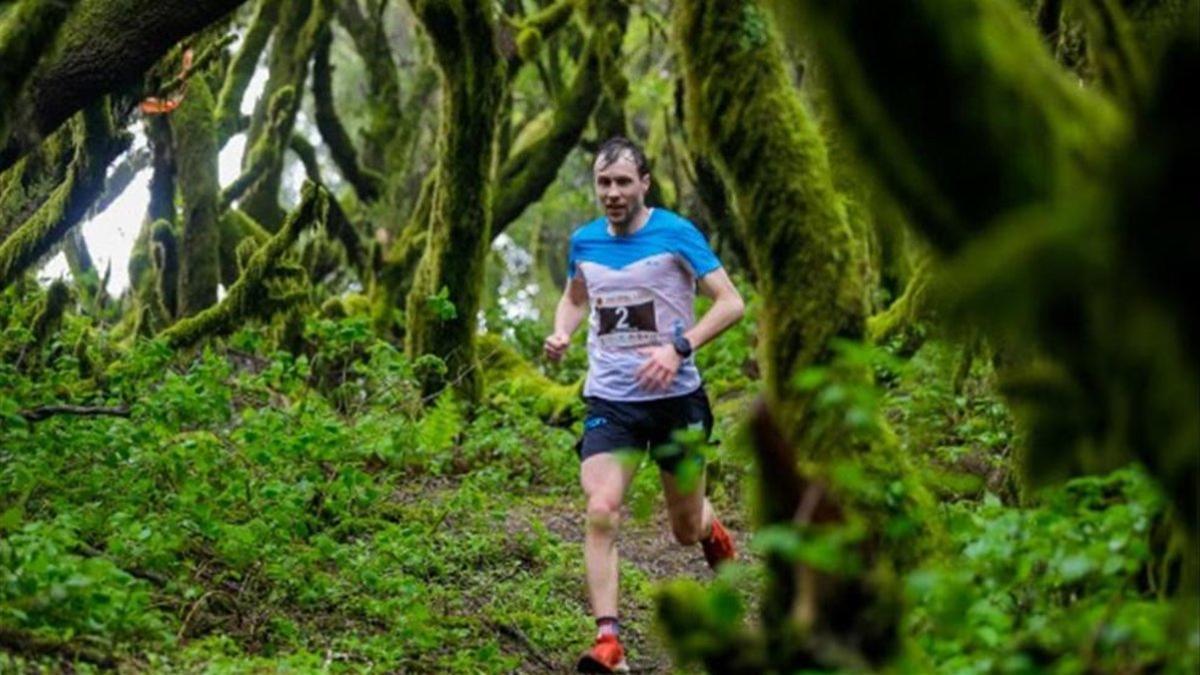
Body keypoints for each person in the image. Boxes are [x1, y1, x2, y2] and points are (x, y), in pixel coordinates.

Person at [544, 137, 746, 673]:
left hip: (677, 400)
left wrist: (679, 346)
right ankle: (609, 645)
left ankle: (711, 528)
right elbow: (574, 296)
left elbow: (732, 303)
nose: (612, 193)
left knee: (684, 531)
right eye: (603, 183)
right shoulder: (585, 242)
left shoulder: (676, 234)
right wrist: (561, 331)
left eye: (622, 182)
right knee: (602, 509)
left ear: (644, 183)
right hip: (611, 400)